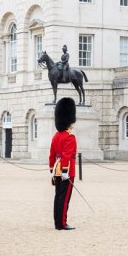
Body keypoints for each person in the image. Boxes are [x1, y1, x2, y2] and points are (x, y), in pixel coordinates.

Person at [49, 97, 77, 230]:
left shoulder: (56, 136)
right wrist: (66, 172)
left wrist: (51, 171)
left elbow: (52, 155)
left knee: (58, 197)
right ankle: (62, 223)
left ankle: (57, 222)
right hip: (66, 171)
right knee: (65, 199)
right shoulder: (70, 136)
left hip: (57, 170)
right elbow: (67, 156)